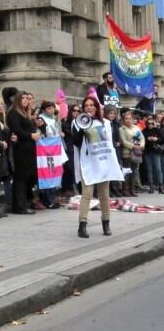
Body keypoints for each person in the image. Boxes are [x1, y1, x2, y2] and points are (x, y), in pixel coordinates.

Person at [73, 97, 123, 238]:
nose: (89, 107)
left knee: (104, 196)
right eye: (86, 105)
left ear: (96, 107)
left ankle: (106, 223)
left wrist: (113, 162)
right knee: (87, 194)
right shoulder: (77, 123)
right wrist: (83, 128)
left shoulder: (105, 123)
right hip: (88, 163)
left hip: (102, 163)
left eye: (92, 105)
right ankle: (82, 225)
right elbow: (76, 143)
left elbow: (109, 145)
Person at [6, 92, 40, 214]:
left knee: (28, 176)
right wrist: (31, 135)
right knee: (21, 177)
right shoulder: (13, 113)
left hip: (29, 148)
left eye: (27, 98)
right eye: (23, 98)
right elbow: (17, 130)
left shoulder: (24, 113)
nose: (25, 100)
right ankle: (19, 206)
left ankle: (24, 202)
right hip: (20, 149)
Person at [37, 101, 62, 209]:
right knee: (47, 173)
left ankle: (53, 197)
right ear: (43, 110)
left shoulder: (53, 119)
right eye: (48, 109)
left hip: (54, 149)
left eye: (52, 108)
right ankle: (48, 200)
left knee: (54, 172)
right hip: (45, 150)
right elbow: (46, 132)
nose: (51, 111)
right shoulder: (41, 119)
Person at [119, 110, 145, 197]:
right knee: (126, 172)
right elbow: (123, 141)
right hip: (127, 153)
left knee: (134, 172)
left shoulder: (136, 128)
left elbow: (142, 138)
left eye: (130, 118)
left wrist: (141, 146)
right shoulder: (121, 129)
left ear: (132, 119)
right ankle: (125, 190)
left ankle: (132, 190)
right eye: (126, 119)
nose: (128, 120)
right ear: (123, 120)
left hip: (136, 153)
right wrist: (133, 146)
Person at [61, 104, 81, 197]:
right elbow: (69, 134)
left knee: (75, 167)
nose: (76, 112)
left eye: (78, 111)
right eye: (74, 110)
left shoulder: (80, 122)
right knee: (68, 168)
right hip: (68, 147)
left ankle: (73, 187)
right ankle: (67, 188)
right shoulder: (66, 122)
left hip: (77, 147)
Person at [142, 118, 163, 194]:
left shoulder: (157, 130)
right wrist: (148, 139)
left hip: (156, 151)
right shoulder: (144, 131)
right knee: (149, 170)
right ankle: (151, 187)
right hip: (147, 152)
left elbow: (162, 139)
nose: (150, 125)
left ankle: (160, 186)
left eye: (152, 123)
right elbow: (142, 140)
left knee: (158, 169)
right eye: (149, 123)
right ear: (146, 124)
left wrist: (156, 139)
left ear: (154, 123)